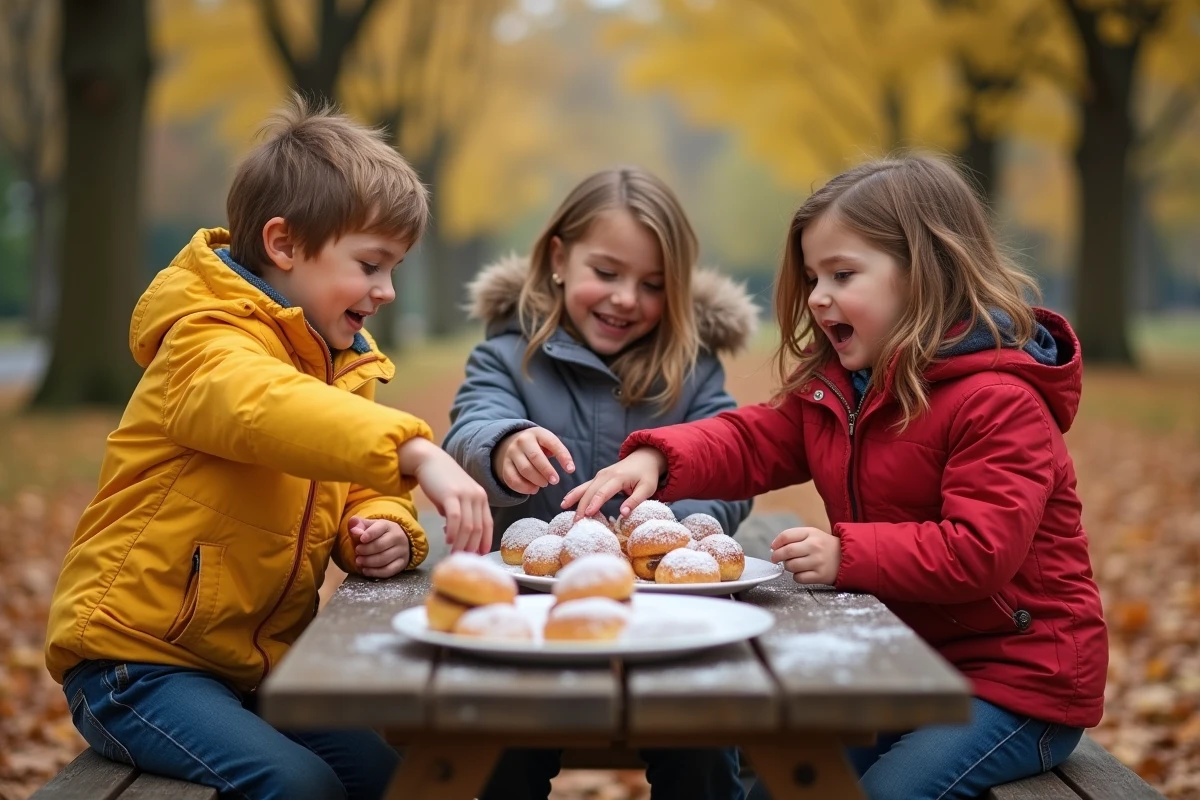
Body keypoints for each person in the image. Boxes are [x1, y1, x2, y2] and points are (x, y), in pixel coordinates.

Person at [565, 154, 1108, 800]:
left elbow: (979, 551)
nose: (819, 296)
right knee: (784, 783)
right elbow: (751, 439)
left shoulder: (1000, 402)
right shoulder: (845, 389)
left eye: (842, 274)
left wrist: (848, 554)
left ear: (925, 272)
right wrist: (657, 457)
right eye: (814, 276)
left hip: (1018, 684)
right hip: (910, 668)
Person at [44, 94, 491, 800]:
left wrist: (387, 530)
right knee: (296, 786)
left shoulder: (338, 363)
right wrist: (417, 450)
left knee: (391, 773)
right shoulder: (203, 342)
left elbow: (350, 475)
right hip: (136, 666)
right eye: (372, 265)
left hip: (257, 666)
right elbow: (266, 409)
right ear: (284, 245)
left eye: (395, 268)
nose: (388, 291)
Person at [444, 166, 756, 800]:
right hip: (535, 615)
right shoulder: (507, 357)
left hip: (671, 619)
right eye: (606, 273)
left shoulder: (692, 372)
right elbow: (469, 428)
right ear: (559, 257)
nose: (624, 299)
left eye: (652, 285)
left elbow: (730, 464)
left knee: (702, 747)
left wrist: (669, 530)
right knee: (500, 749)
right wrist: (501, 445)